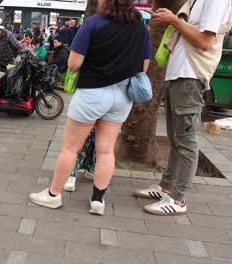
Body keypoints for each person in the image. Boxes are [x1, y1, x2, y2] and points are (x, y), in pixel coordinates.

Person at [29, 0, 151, 215]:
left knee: (70, 148)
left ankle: (53, 195)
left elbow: (74, 63)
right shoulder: (140, 27)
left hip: (92, 93)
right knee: (106, 150)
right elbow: (144, 66)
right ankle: (98, 200)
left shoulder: (93, 23)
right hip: (123, 96)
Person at [134, 0, 232, 216]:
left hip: (190, 76)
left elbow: (205, 41)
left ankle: (178, 200)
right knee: (176, 139)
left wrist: (174, 21)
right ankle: (165, 187)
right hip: (178, 75)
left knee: (186, 141)